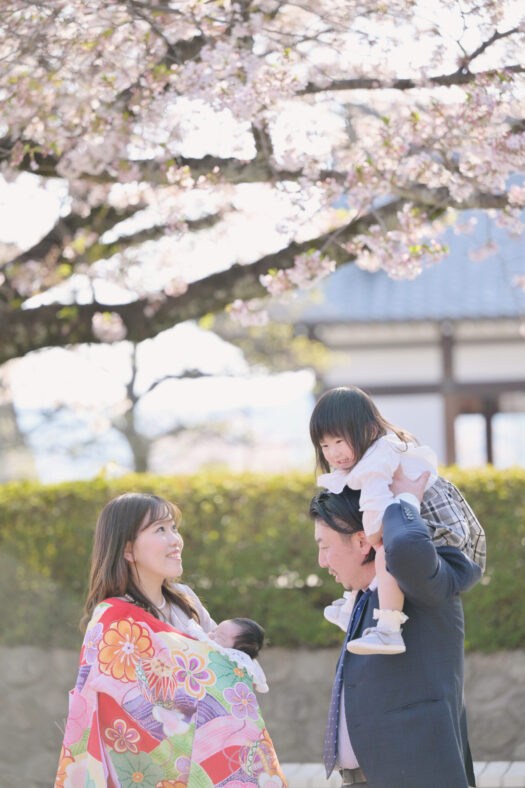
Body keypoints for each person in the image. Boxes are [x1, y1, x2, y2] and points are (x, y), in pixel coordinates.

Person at [55, 492, 285, 788]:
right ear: (127, 550)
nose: (176, 540)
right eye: (160, 530)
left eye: (174, 528)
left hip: (206, 746)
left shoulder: (185, 600)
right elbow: (116, 697)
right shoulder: (113, 617)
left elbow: (219, 668)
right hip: (144, 761)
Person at [310, 469, 481, 788]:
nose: (321, 561)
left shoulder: (415, 584)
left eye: (324, 546)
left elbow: (405, 546)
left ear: (362, 541)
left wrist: (405, 501)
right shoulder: (366, 596)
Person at [310, 385, 486, 655]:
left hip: (442, 535)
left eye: (339, 441)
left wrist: (373, 538)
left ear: (367, 431)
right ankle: (351, 604)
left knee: (382, 550)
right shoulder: (371, 454)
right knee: (377, 544)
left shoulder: (379, 459)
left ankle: (389, 628)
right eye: (325, 445)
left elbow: (374, 511)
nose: (333, 453)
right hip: (418, 526)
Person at [186, 616, 269, 693]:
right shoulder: (205, 644)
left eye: (220, 637)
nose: (210, 635)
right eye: (214, 630)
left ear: (237, 654)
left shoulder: (233, 666)